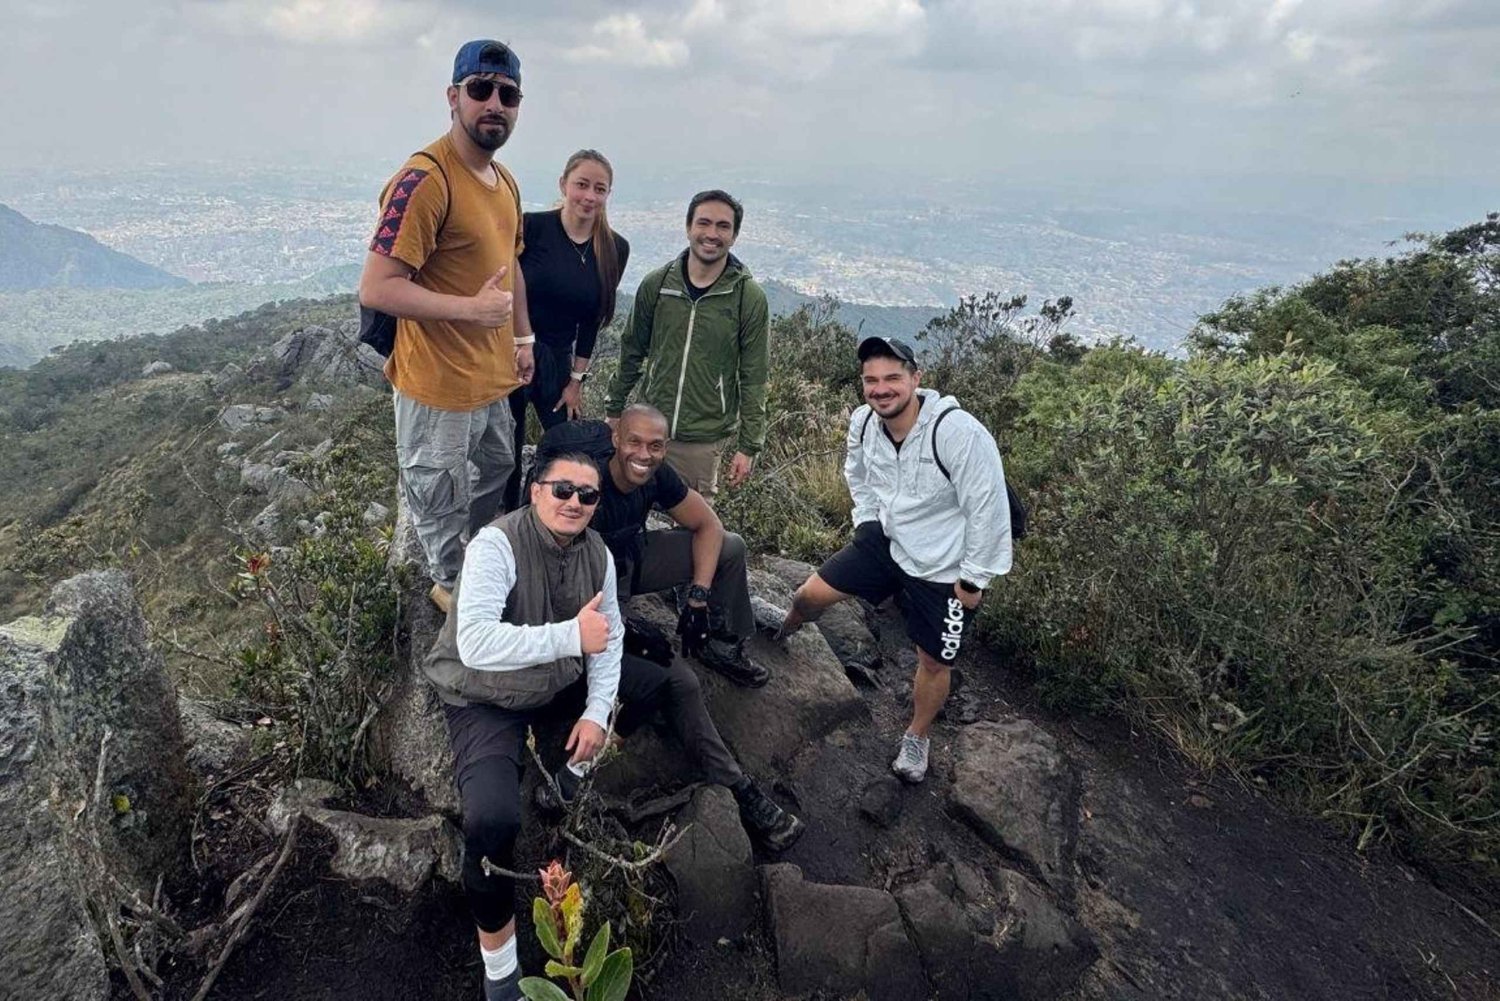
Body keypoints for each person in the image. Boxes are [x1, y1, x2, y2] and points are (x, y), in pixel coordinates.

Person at [425, 453, 802, 1000]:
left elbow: (611, 636)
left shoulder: (595, 551)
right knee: (491, 820)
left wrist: (597, 713)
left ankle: (573, 774)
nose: (575, 502)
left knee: (662, 684)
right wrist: (569, 638)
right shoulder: (496, 545)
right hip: (486, 698)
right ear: (534, 492)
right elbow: (475, 643)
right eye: (562, 490)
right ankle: (501, 973)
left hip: (556, 681)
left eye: (588, 495)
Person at [779, 336, 1012, 784]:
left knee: (933, 661)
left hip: (942, 566)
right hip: (886, 541)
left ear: (915, 379)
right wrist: (867, 519)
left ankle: (917, 735)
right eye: (871, 380)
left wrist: (973, 579)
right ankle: (783, 628)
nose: (881, 389)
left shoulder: (957, 432)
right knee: (810, 594)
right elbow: (858, 472)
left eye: (892, 378)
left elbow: (988, 507)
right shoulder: (865, 423)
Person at [357, 39, 536, 616]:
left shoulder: (504, 181)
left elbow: (511, 266)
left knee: (498, 471)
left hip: (491, 376)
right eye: (480, 90)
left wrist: (521, 337)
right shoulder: (425, 180)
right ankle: (451, 584)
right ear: (453, 97)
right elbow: (377, 287)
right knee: (437, 488)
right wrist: (470, 311)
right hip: (436, 383)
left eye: (507, 94)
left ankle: (480, 562)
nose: (494, 104)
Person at [544, 407, 770, 687]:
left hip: (627, 561)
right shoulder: (587, 486)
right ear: (616, 439)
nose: (643, 455)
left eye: (654, 446)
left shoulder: (657, 474)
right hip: (583, 584)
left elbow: (708, 525)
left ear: (665, 448)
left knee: (730, 546)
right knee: (676, 679)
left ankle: (721, 644)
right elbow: (554, 575)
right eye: (634, 442)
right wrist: (626, 629)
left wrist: (698, 599)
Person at [604, 189, 769, 499]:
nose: (711, 234)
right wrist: (614, 409)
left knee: (692, 530)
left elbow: (754, 376)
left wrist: (748, 446)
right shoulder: (658, 285)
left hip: (702, 440)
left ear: (734, 236)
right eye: (703, 223)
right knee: (629, 516)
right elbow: (632, 351)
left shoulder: (747, 297)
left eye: (723, 226)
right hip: (647, 431)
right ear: (688, 227)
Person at [502, 149, 630, 510]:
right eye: (582, 185)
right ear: (564, 184)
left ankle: (559, 518)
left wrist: (576, 382)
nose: (589, 196)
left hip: (557, 362)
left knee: (573, 449)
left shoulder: (615, 248)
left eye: (599, 189)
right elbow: (507, 286)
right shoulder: (533, 227)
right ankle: (506, 523)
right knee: (504, 453)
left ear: (607, 195)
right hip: (510, 355)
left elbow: (592, 318)